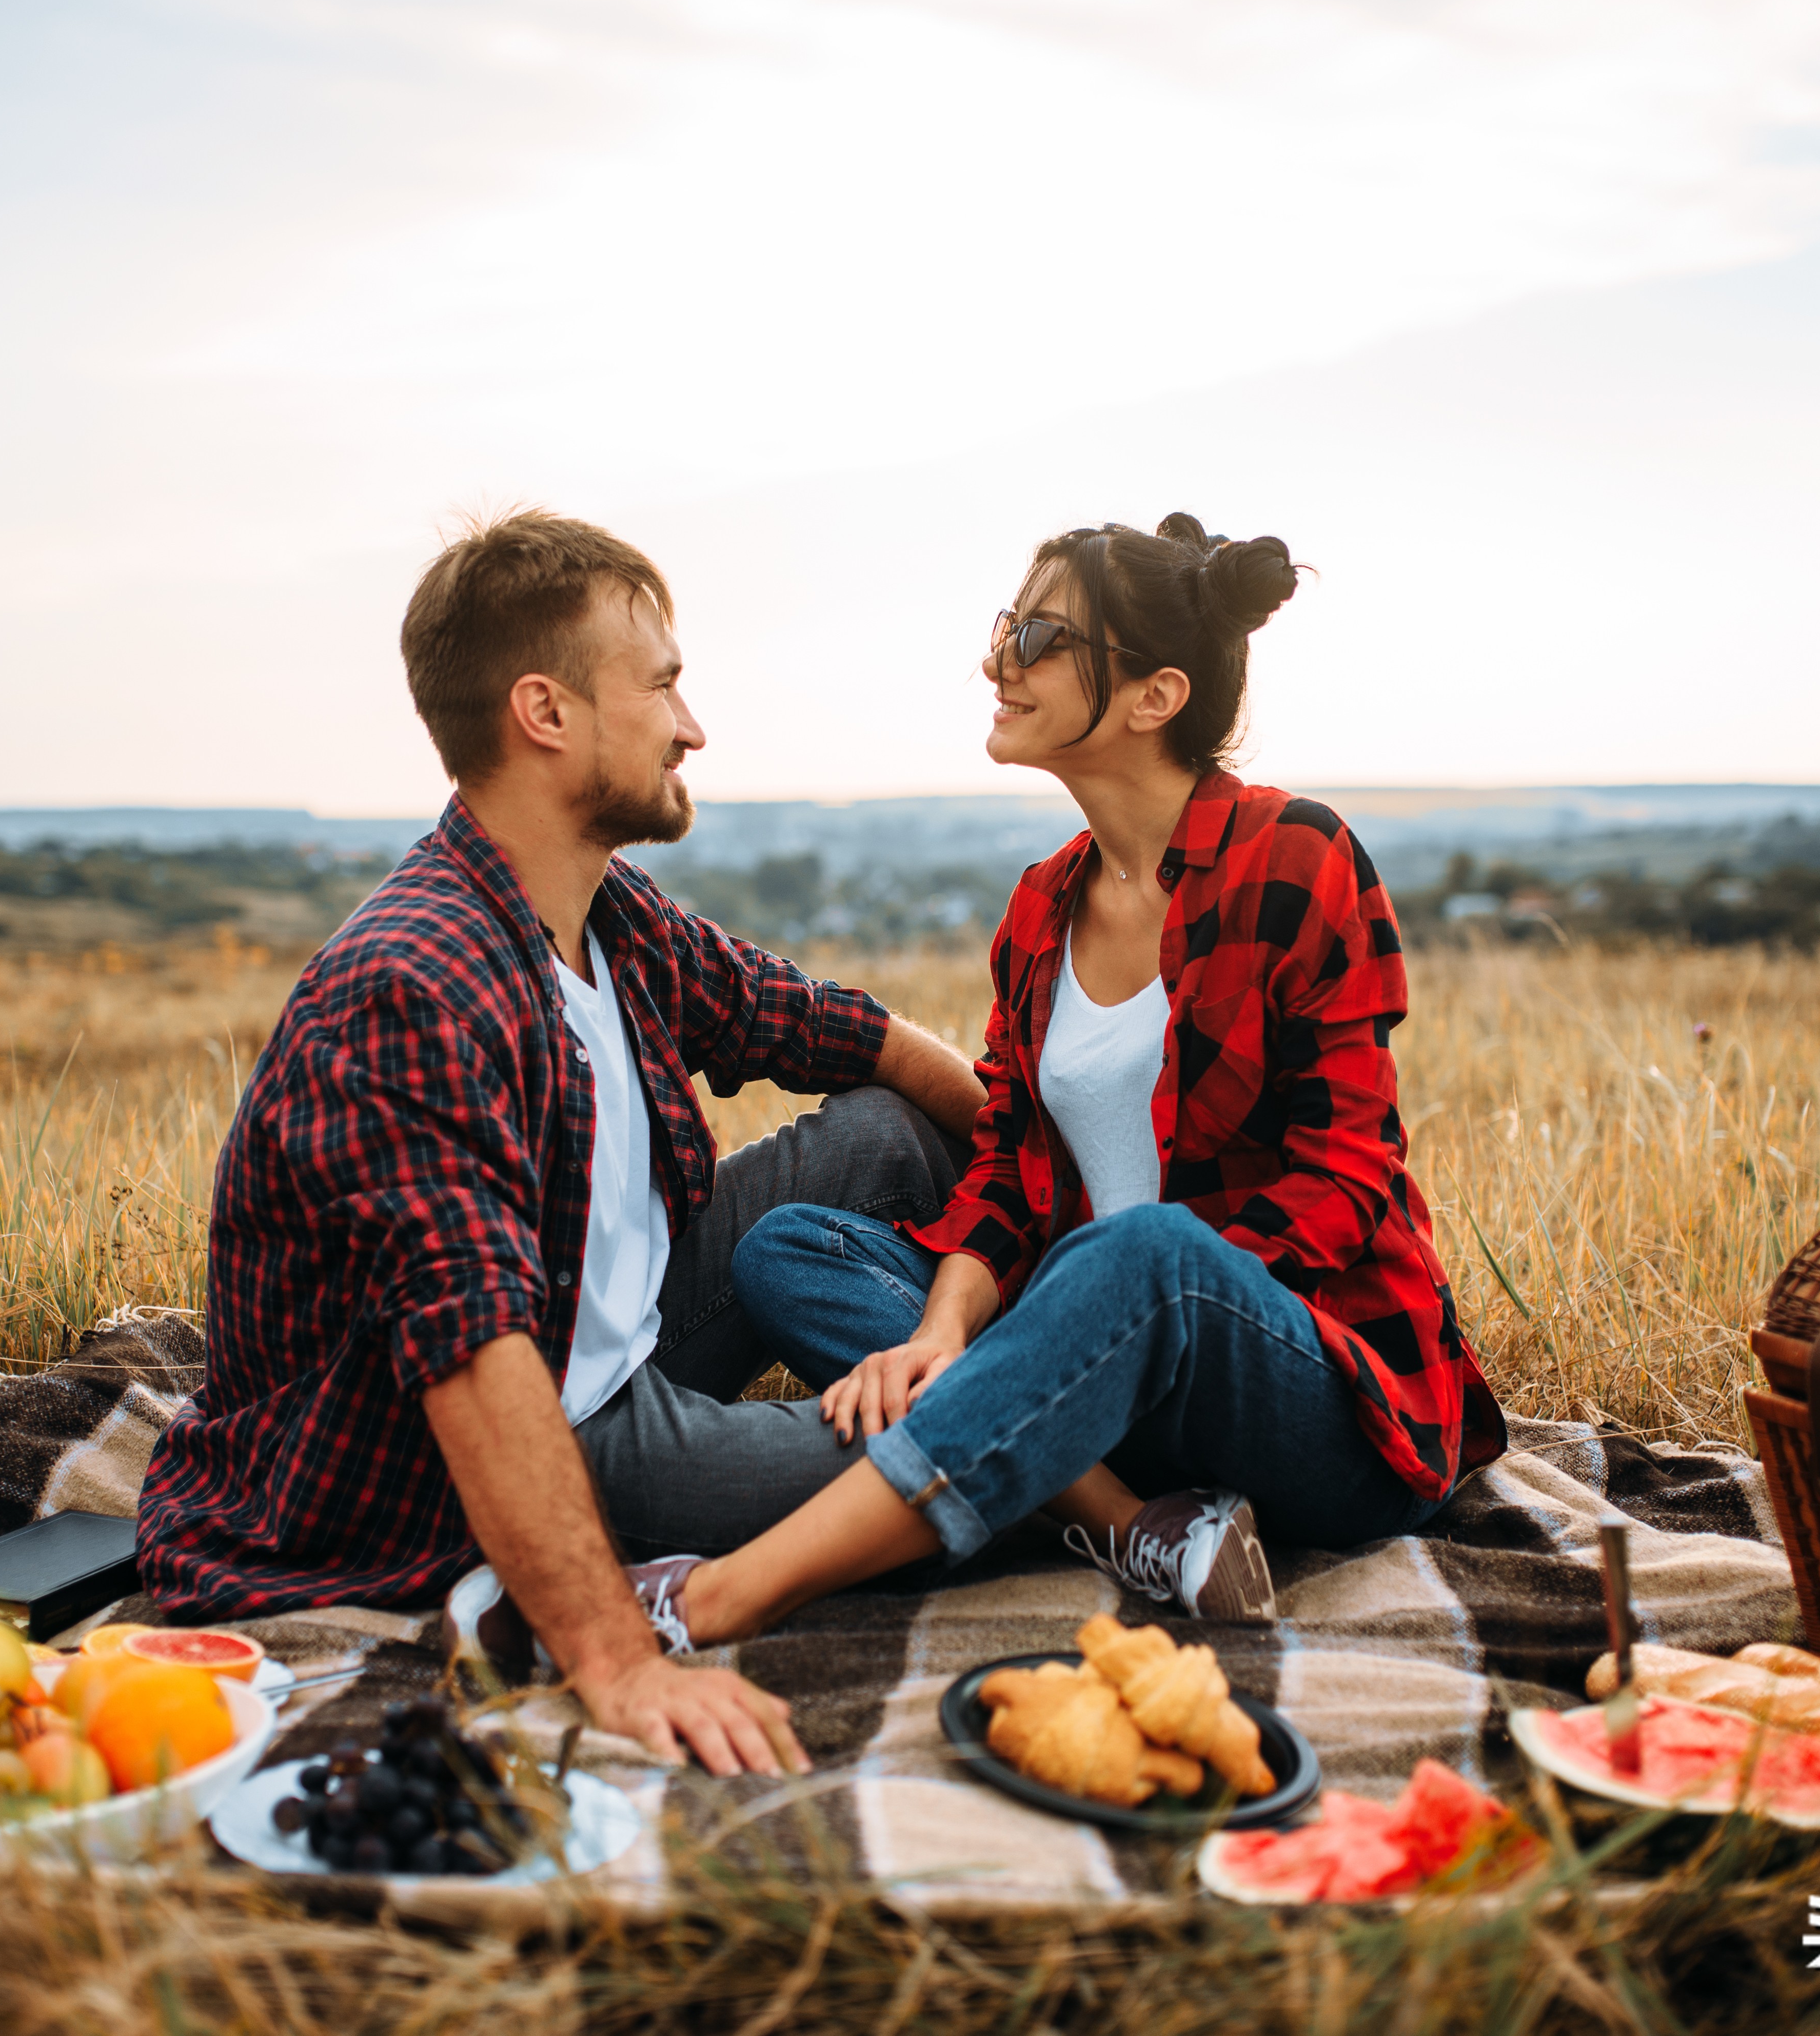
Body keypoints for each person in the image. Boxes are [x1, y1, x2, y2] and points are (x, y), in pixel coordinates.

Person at [447, 512, 1506, 1664]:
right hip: (1113, 1368)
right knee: (789, 1250)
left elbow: (1346, 1180)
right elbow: (1005, 1159)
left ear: (1154, 696)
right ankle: (1123, 1516)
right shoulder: (1041, 909)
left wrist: (1088, 1305)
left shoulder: (1297, 857)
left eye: (1042, 636)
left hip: (1310, 1388)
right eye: (1007, 627)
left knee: (1135, 1255)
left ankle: (717, 1600)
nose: (1000, 661)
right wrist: (947, 1330)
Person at [133, 510, 985, 1778]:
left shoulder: (601, 911)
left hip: (612, 1319)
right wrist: (613, 1659)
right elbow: (477, 1364)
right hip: (519, 1428)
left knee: (891, 1131)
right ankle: (1066, 1428)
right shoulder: (413, 981)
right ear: (546, 713)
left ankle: (966, 1345)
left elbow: (831, 1028)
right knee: (984, 1453)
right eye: (661, 687)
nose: (690, 727)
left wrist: (1041, 1194)